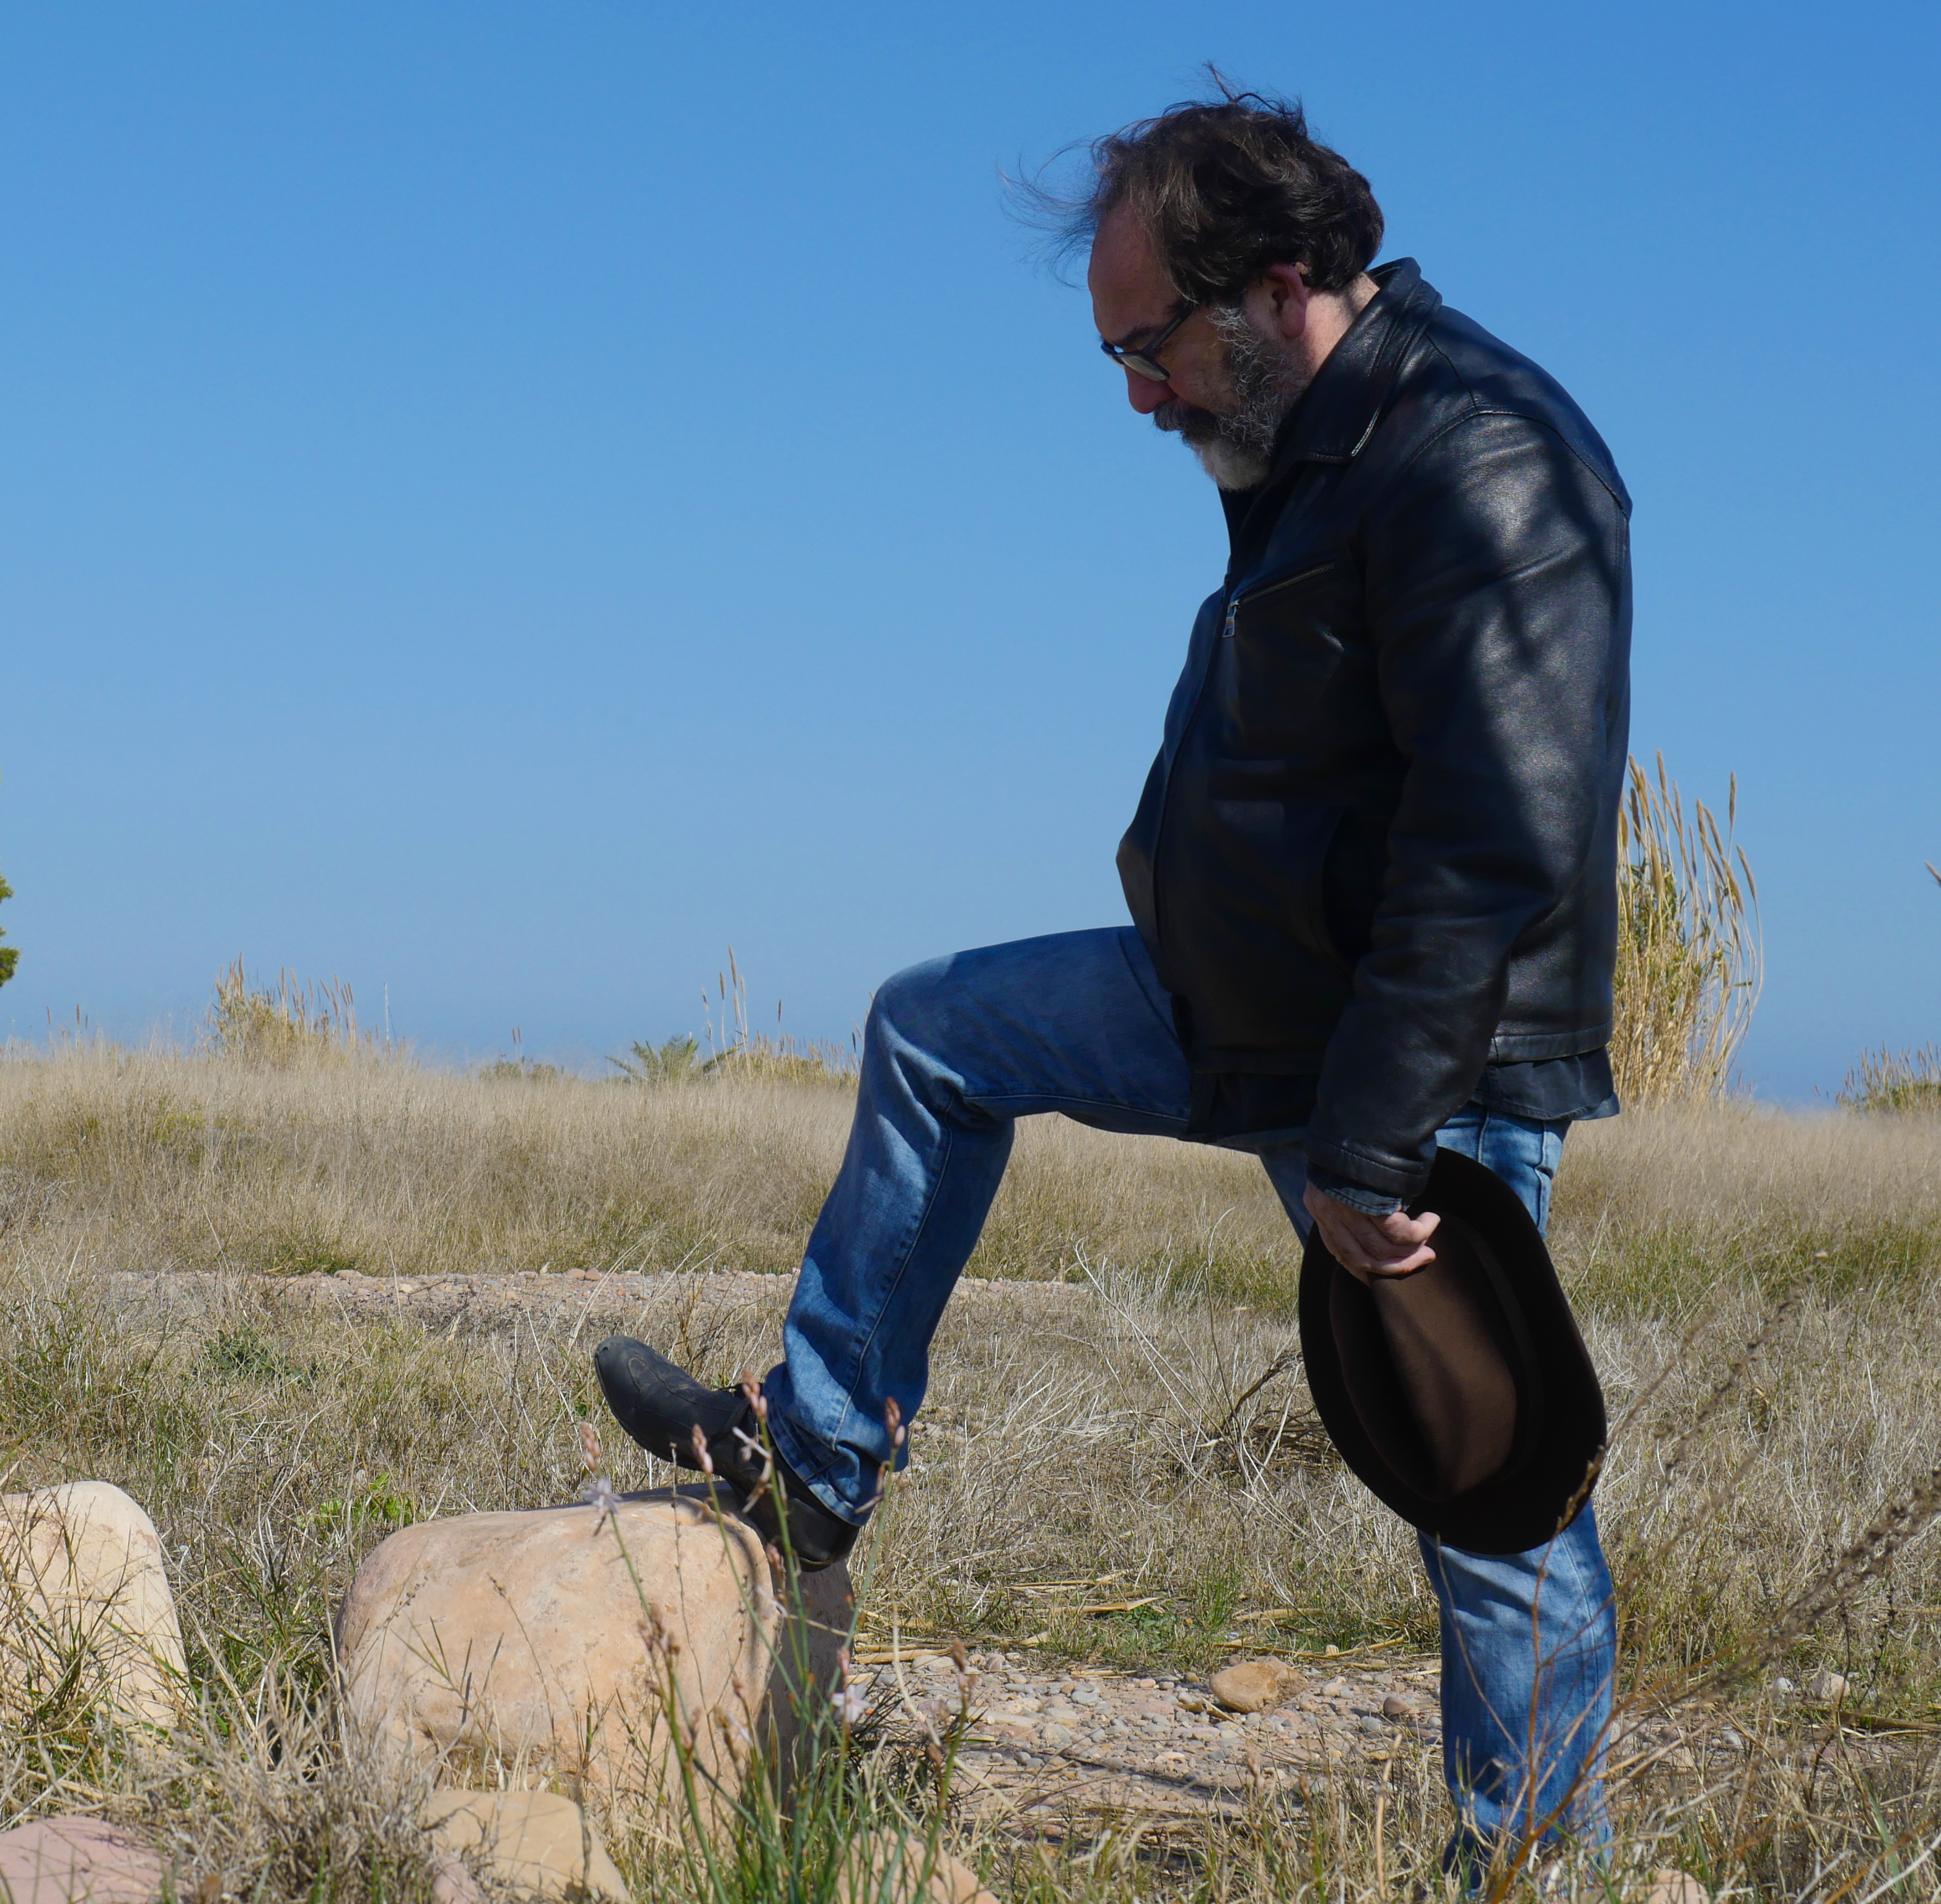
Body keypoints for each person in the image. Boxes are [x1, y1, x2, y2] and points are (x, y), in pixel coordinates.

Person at [593, 86, 1629, 1867]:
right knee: (937, 1028)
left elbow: (1498, 833)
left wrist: (1378, 1141)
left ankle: (1531, 1861)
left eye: (1146, 346)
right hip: (1236, 996)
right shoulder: (1307, 445)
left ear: (1279, 282)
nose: (1136, 393)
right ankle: (815, 1464)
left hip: (1416, 1067)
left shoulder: (1486, 454)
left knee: (1492, 1486)